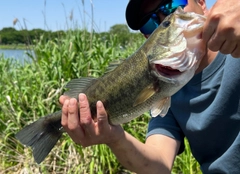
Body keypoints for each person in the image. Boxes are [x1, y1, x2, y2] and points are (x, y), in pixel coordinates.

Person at [59, 0, 240, 173]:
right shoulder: (166, 91)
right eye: (150, 23)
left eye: (172, 6)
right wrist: (114, 138)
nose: (164, 19)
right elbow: (158, 166)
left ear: (201, 3)